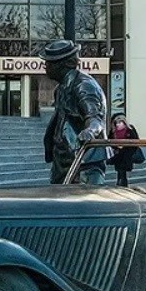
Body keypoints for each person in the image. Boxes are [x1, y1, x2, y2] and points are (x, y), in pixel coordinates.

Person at [41, 40, 107, 185]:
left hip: (84, 160)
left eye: (49, 63)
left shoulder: (84, 86)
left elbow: (95, 118)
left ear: (62, 64)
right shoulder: (61, 89)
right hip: (64, 159)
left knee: (85, 203)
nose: (45, 66)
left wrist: (90, 131)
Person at [108, 114, 141, 187]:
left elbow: (135, 141)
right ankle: (121, 184)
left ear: (124, 123)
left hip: (127, 154)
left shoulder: (130, 130)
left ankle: (122, 185)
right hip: (117, 154)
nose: (117, 125)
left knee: (123, 171)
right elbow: (109, 141)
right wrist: (115, 147)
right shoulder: (113, 131)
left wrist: (127, 148)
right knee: (120, 171)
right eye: (116, 123)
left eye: (119, 123)